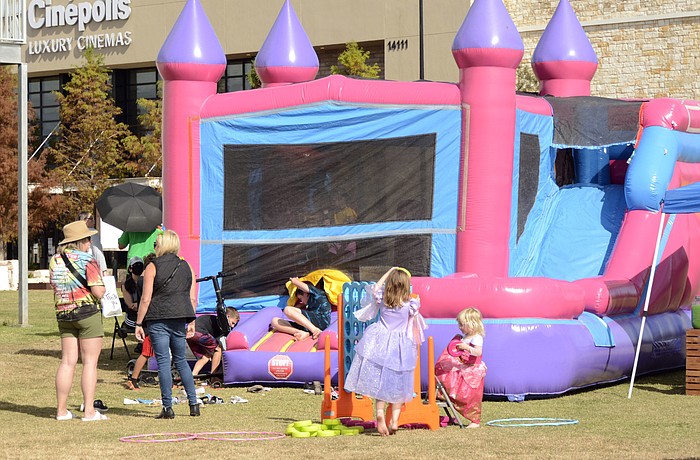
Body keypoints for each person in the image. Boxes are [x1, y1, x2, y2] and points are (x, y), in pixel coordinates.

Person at [343, 267, 426, 436]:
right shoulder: (410, 305)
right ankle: (394, 420)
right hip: (400, 346)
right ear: (406, 286)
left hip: (380, 341)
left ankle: (380, 413)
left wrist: (389, 271)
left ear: (389, 285)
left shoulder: (383, 300)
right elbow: (413, 322)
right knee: (398, 384)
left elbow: (375, 288)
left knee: (380, 382)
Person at [134, 229, 200, 418]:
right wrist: (192, 321)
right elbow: (192, 298)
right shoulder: (187, 266)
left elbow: (145, 299)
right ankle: (194, 404)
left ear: (162, 245)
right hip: (180, 318)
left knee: (163, 361)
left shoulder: (152, 267)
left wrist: (139, 323)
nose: (154, 247)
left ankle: (167, 407)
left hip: (158, 318)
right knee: (181, 360)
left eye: (156, 244)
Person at [49, 220, 108, 421]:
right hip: (87, 313)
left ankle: (61, 410)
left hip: (64, 313)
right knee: (90, 362)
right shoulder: (87, 260)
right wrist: (104, 288)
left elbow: (54, 285)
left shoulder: (55, 260)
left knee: (67, 361)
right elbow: (98, 291)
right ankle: (89, 411)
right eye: (88, 239)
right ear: (80, 241)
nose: (90, 243)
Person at [435, 307, 487, 429]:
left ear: (472, 324)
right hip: (462, 366)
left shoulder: (476, 337)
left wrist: (466, 347)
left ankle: (474, 420)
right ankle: (445, 394)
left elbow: (478, 352)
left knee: (470, 396)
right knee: (449, 376)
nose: (459, 327)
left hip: (472, 369)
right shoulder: (465, 337)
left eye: (462, 324)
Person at [124, 253, 157, 391]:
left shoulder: (143, 280)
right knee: (146, 352)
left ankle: (134, 378)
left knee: (148, 352)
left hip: (147, 319)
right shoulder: (144, 281)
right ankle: (133, 379)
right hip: (149, 320)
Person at [187, 307, 239, 376]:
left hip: (189, 335)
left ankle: (193, 374)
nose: (232, 326)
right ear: (227, 317)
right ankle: (214, 375)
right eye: (232, 323)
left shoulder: (214, 321)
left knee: (205, 357)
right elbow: (217, 346)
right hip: (199, 332)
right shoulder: (222, 324)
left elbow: (210, 343)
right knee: (218, 349)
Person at [78, 211, 108, 276]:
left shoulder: (77, 233)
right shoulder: (92, 232)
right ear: (84, 220)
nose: (93, 221)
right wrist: (104, 269)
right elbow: (97, 251)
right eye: (91, 218)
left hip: (78, 265)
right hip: (90, 265)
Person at [120, 256, 144, 331]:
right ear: (130, 269)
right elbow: (130, 304)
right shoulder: (126, 285)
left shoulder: (147, 282)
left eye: (140, 265)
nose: (138, 267)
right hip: (132, 316)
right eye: (135, 265)